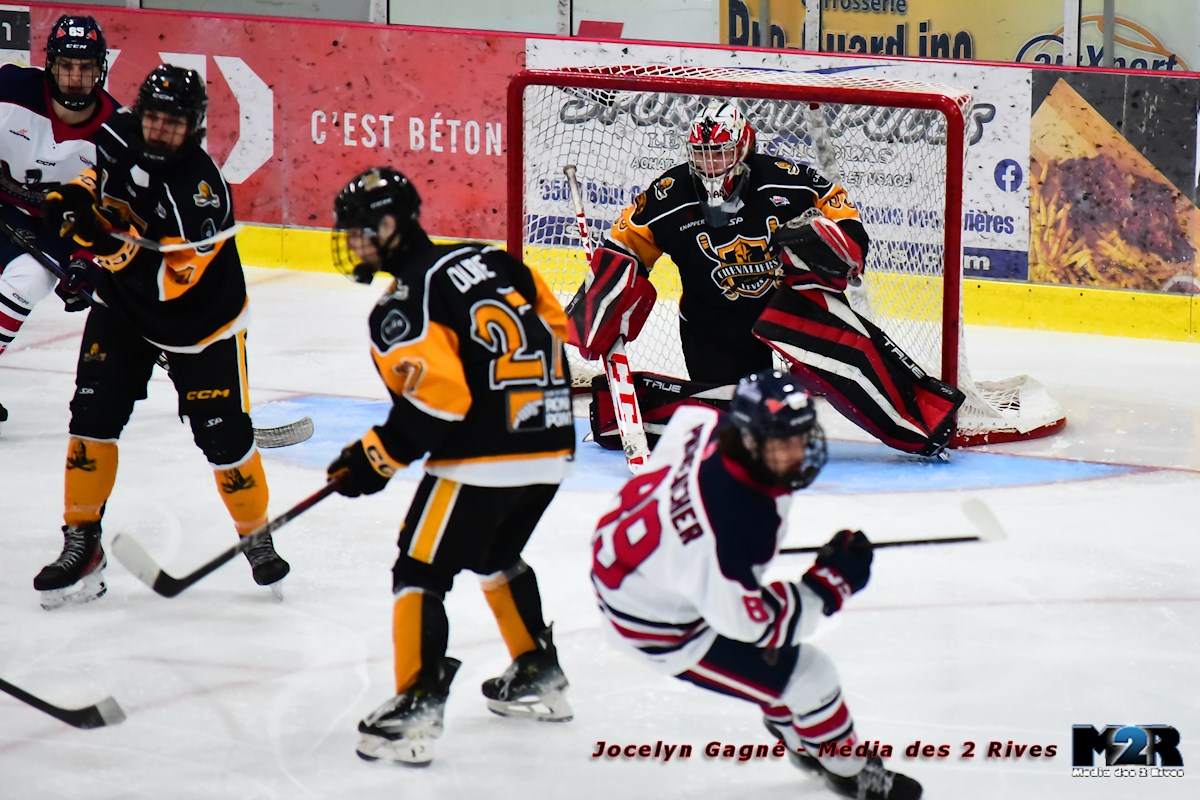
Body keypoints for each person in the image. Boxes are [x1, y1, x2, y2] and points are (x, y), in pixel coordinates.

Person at [326, 166, 576, 766]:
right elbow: (556, 327)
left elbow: (439, 403)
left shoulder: (404, 302)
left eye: (361, 230)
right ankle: (538, 672)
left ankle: (415, 709)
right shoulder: (493, 261)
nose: (353, 242)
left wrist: (374, 456)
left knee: (419, 569)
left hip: (482, 457)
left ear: (391, 226)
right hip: (553, 443)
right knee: (494, 553)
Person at [590, 369, 922, 799]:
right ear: (748, 439)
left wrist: (687, 555)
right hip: (655, 624)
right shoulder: (735, 525)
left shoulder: (704, 423)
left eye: (800, 436)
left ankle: (801, 734)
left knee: (784, 674)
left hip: (636, 564)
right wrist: (828, 586)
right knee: (811, 677)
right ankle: (849, 771)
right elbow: (751, 624)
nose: (797, 453)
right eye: (782, 443)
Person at [572, 98, 963, 458]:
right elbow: (624, 245)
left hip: (789, 315)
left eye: (721, 152)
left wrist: (847, 244)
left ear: (744, 147)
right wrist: (602, 299)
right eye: (702, 153)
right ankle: (621, 413)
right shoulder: (669, 195)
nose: (711, 163)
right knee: (741, 431)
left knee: (854, 363)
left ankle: (920, 421)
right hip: (711, 328)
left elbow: (838, 207)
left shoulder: (783, 179)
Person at [32, 64, 288, 609]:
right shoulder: (117, 132)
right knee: (91, 418)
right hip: (121, 311)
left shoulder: (202, 194)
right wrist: (74, 198)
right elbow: (97, 177)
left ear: (195, 127)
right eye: (154, 117)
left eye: (174, 122)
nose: (160, 129)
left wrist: (103, 247)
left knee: (223, 437)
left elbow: (172, 285)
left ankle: (256, 535)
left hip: (201, 325)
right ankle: (82, 541)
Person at [0, 15, 120, 426]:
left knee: (29, 281)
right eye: (67, 66)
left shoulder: (115, 133)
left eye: (85, 67)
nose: (75, 77)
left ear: (100, 69)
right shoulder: (10, 89)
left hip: (56, 230)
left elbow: (112, 215)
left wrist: (84, 263)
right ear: (50, 64)